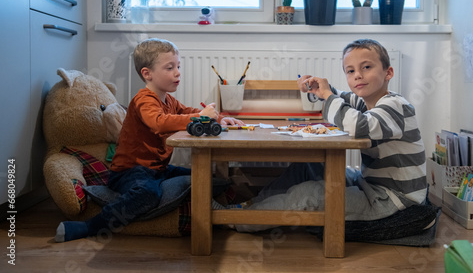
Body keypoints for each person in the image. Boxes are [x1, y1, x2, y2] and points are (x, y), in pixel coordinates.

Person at [55, 38, 244, 242]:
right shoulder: (144, 99)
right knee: (148, 194)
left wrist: (222, 118)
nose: (178, 72)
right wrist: (201, 117)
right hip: (129, 171)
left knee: (208, 176)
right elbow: (158, 123)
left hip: (158, 170)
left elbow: (189, 111)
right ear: (147, 73)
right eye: (170, 67)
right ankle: (91, 226)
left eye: (178, 66)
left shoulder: (168, 99)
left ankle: (227, 209)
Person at [235, 38, 427, 232]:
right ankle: (250, 205)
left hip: (394, 200)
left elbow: (358, 125)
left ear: (388, 73)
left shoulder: (396, 105)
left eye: (366, 67)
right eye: (351, 71)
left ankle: (236, 220)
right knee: (308, 166)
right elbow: (340, 97)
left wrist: (327, 95)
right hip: (370, 184)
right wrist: (319, 88)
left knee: (309, 194)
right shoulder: (366, 102)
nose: (358, 75)